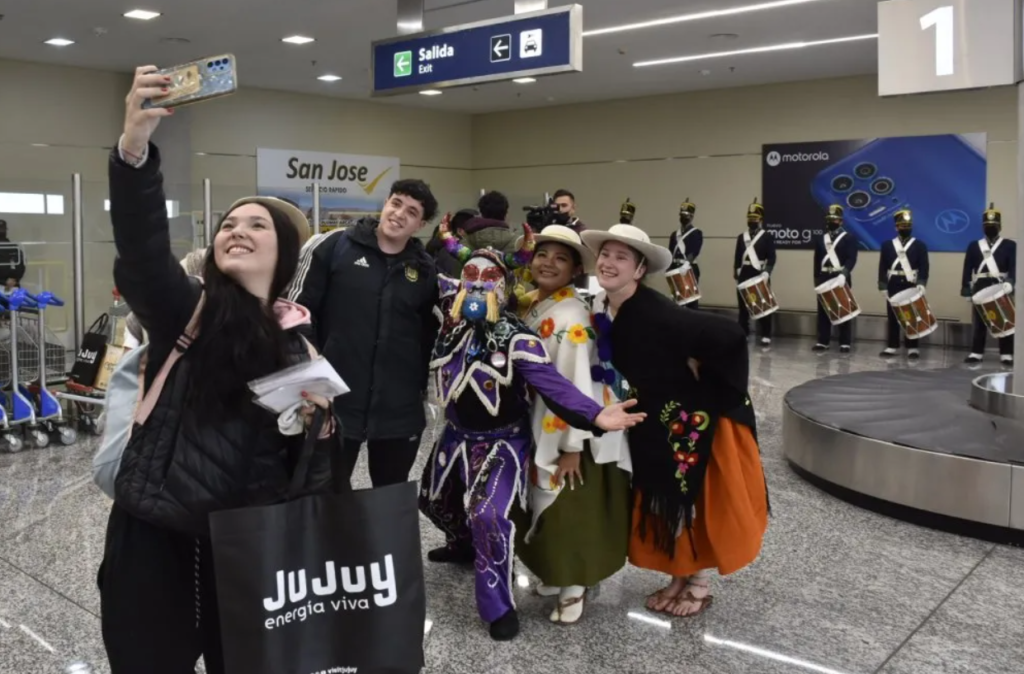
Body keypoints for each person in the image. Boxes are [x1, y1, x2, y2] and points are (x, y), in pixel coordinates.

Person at [100, 66, 335, 674]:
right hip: (157, 535)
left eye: (257, 224)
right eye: (230, 223)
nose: (238, 230)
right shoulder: (187, 308)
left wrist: (316, 427)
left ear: (282, 251)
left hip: (250, 550)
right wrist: (134, 149)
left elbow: (304, 466)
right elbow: (143, 248)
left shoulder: (300, 341)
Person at [420, 218, 645, 641]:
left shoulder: (540, 325)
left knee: (530, 513)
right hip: (473, 433)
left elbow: (559, 380)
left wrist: (589, 422)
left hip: (542, 432)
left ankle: (555, 591)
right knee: (438, 500)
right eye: (542, 254)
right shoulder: (511, 311)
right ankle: (480, 551)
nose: (480, 285)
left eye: (561, 258)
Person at [580, 223, 768, 619]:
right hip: (659, 421)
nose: (609, 263)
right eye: (606, 254)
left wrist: (706, 369)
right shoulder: (608, 306)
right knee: (671, 496)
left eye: (621, 257)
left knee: (693, 499)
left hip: (694, 424)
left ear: (639, 270)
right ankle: (680, 575)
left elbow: (729, 336)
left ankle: (698, 584)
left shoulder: (652, 311)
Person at [512, 225, 632, 626]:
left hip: (569, 432)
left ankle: (574, 586)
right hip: (538, 421)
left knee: (569, 510)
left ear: (575, 270)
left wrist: (572, 446)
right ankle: (556, 573)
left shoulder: (569, 318)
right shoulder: (535, 305)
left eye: (561, 258)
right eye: (543, 254)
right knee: (543, 508)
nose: (548, 263)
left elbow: (579, 382)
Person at [288, 177, 440, 489]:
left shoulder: (425, 271)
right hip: (335, 401)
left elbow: (428, 336)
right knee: (325, 496)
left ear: (420, 224)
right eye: (395, 203)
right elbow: (297, 315)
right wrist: (309, 381)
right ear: (385, 203)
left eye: (411, 212)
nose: (399, 214)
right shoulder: (333, 246)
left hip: (399, 411)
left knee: (390, 499)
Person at [962, 203, 1015, 365]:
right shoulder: (974, 246)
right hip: (981, 286)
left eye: (993, 225)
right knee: (980, 322)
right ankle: (976, 352)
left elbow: (1015, 266)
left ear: (1000, 226)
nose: (990, 228)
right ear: (983, 227)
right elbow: (967, 268)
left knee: (1005, 320)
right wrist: (966, 289)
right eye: (987, 226)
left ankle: (1006, 354)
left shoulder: (1010, 245)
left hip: (1001, 286)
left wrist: (1010, 282)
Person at [878, 209, 929, 360]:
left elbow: (924, 266)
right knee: (893, 315)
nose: (905, 228)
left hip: (910, 283)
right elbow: (882, 266)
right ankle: (892, 345)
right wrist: (882, 285)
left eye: (907, 225)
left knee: (912, 315)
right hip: (893, 283)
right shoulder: (887, 245)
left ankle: (912, 347)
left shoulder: (919, 245)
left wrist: (921, 283)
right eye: (902, 225)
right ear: (896, 227)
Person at [812, 205, 859, 353]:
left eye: (835, 219)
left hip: (840, 277)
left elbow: (852, 259)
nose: (832, 222)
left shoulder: (848, 238)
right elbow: (817, 260)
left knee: (843, 309)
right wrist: (817, 280)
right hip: (825, 276)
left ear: (841, 221)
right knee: (823, 311)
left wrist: (844, 274)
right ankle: (823, 341)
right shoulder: (822, 239)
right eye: (830, 219)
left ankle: (844, 342)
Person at [734, 199, 776, 345]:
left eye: (755, 218)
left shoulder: (767, 237)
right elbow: (737, 256)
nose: (752, 221)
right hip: (744, 273)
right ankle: (743, 333)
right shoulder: (741, 237)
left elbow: (772, 257)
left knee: (764, 305)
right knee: (743, 306)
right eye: (750, 218)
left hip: (760, 273)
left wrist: (766, 273)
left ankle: (766, 334)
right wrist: (737, 272)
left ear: (760, 219)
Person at [668, 199, 703, 309]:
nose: (683, 217)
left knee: (691, 300)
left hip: (689, 268)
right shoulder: (674, 234)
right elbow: (670, 251)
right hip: (675, 267)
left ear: (692, 216)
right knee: (677, 300)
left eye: (686, 215)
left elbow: (695, 251)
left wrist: (687, 264)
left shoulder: (696, 233)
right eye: (682, 215)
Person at [427, 208, 476, 277]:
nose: (475, 234)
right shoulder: (452, 252)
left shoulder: (444, 247)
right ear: (460, 231)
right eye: (472, 231)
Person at [0, 219, 26, 291]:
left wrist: (14, 279)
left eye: (2, 229)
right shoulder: (14, 247)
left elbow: (21, 266)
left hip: (11, 286)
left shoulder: (13, 247)